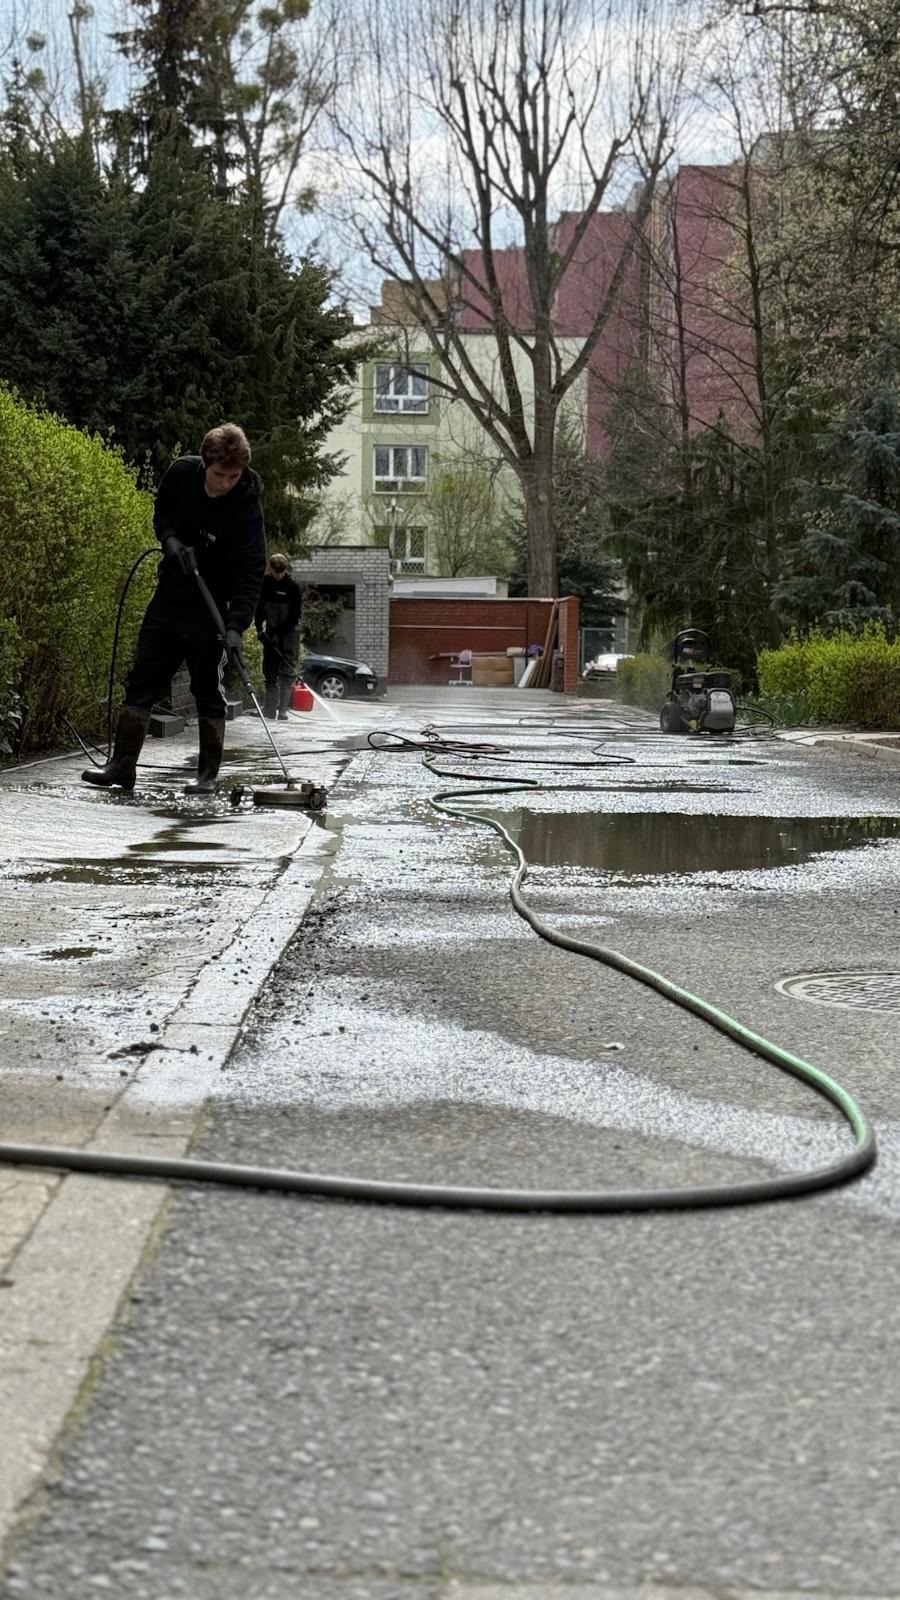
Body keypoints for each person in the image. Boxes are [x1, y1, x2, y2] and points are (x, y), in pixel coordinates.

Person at [82, 423, 265, 795]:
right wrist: (169, 541)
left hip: (213, 605)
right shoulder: (181, 474)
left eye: (234, 476)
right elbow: (161, 512)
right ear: (205, 465)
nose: (226, 483)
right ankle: (122, 766)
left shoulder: (246, 503)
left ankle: (207, 775)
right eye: (220, 475)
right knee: (143, 678)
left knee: (206, 689)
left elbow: (251, 568)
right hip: (170, 597)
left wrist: (235, 625)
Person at [255, 553, 302, 719]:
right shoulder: (266, 584)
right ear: (271, 569)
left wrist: (279, 634)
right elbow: (259, 608)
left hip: (288, 636)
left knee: (287, 673)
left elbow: (295, 616)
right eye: (276, 571)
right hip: (270, 634)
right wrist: (259, 628)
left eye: (281, 571)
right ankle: (269, 709)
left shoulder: (293, 587)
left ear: (284, 569)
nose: (278, 574)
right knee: (270, 672)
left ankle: (282, 710)